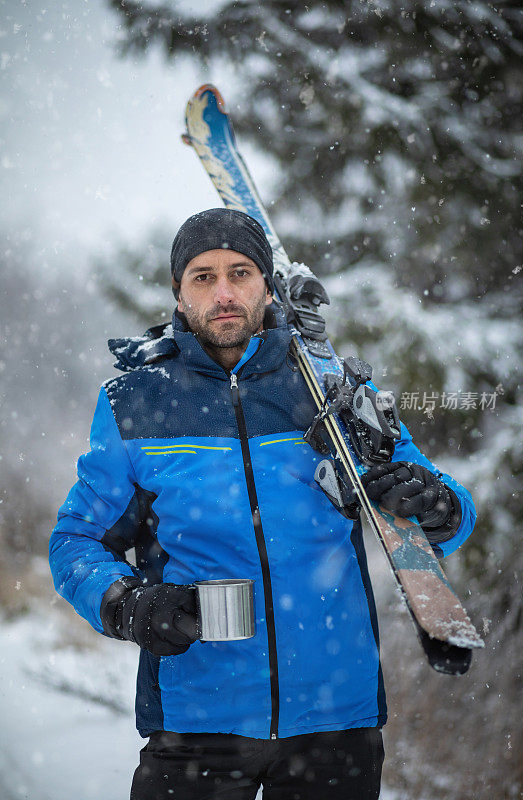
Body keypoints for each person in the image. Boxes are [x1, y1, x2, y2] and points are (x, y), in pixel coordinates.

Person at [49, 208, 476, 800]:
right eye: (202, 277)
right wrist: (126, 603)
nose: (223, 293)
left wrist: (438, 506)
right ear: (178, 292)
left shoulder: (333, 387)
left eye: (239, 273)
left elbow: (443, 502)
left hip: (336, 722)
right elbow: (75, 541)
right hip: (196, 724)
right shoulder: (135, 402)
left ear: (267, 284)